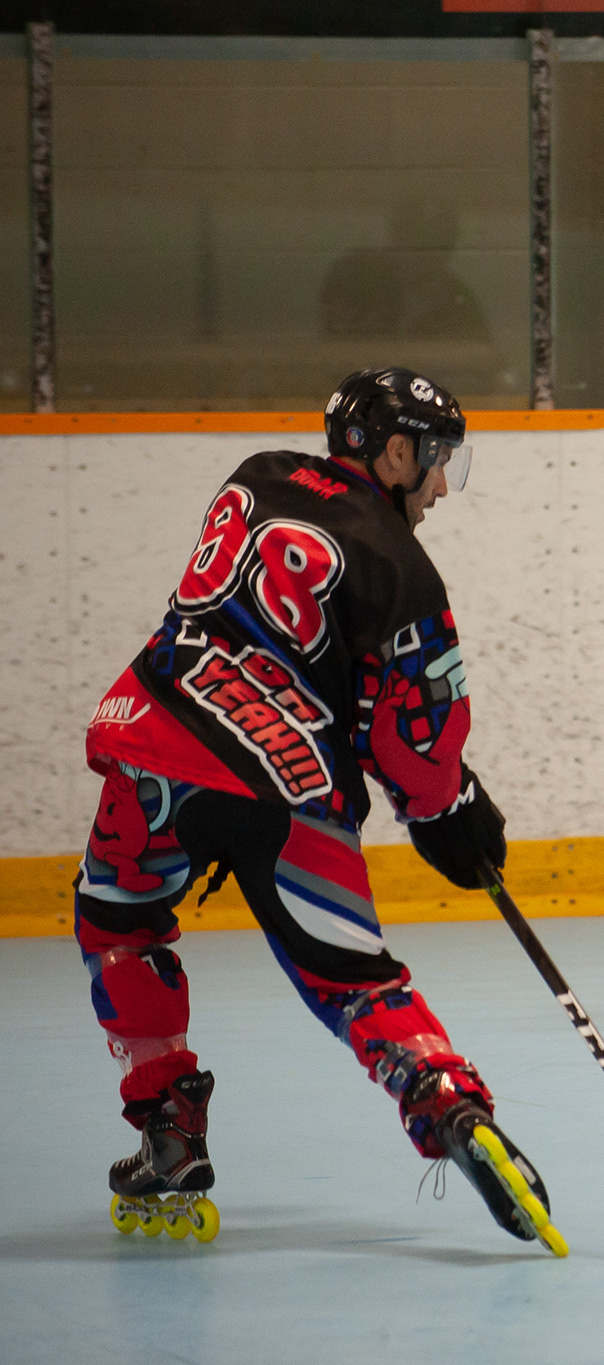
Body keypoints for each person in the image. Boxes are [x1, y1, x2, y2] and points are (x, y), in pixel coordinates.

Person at [77, 368, 563, 1254]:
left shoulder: (256, 474)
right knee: (354, 982)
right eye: (437, 461)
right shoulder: (405, 571)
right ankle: (448, 1102)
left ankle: (168, 1126)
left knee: (116, 923)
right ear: (397, 452)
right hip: (286, 782)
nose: (442, 487)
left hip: (154, 746)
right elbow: (413, 737)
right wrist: (449, 811)